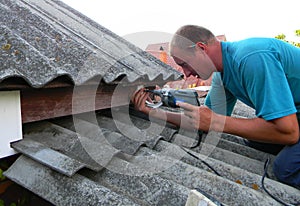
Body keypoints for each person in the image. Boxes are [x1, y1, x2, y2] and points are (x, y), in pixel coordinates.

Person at [132, 25, 300, 188]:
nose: (186, 74)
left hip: (292, 125)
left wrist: (216, 121)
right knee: (256, 140)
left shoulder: (251, 58)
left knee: (286, 168)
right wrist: (152, 112)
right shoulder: (222, 75)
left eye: (184, 64)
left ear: (201, 49)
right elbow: (202, 121)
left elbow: (289, 133)